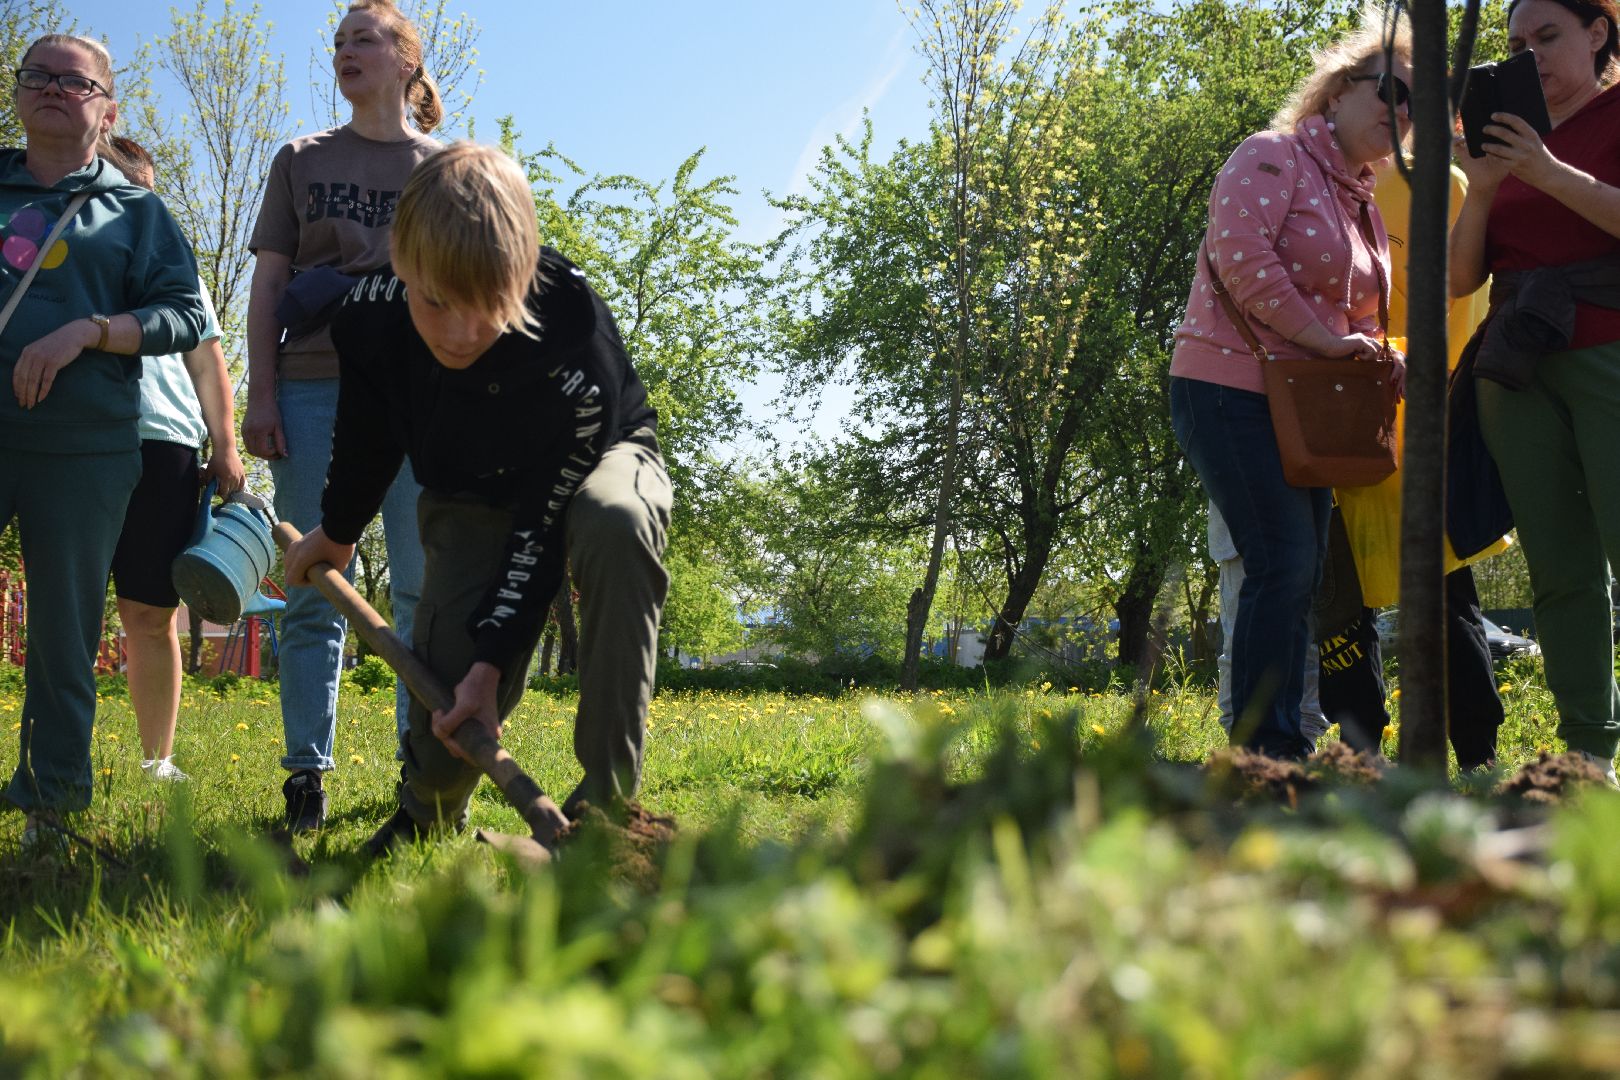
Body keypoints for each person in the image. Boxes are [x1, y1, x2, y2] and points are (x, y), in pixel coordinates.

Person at [283, 143, 671, 853]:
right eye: (436, 303)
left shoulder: (571, 335)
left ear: (522, 275)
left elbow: (543, 530)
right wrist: (337, 531)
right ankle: (426, 813)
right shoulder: (368, 320)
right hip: (469, 487)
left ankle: (609, 817)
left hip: (589, 463)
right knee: (445, 714)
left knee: (617, 523)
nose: (461, 335)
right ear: (400, 262)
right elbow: (368, 435)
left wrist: (494, 664)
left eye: (489, 307)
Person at [1169, 12, 1411, 759]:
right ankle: (1266, 750)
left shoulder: (1360, 195)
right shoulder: (1270, 155)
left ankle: (1274, 742)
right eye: (1392, 93)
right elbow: (1243, 260)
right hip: (1228, 388)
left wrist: (1371, 351)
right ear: (1337, 91)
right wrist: (1328, 342)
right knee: (1282, 561)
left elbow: (1358, 309)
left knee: (1298, 571)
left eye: (1417, 108)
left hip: (1303, 407)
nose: (1403, 114)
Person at [0, 35, 206, 841]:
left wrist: (91, 331)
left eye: (74, 82)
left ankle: (51, 800)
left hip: (85, 448)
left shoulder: (137, 210)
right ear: (18, 94)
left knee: (63, 632)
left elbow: (186, 315)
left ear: (107, 108)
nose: (54, 89)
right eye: (37, 77)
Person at [244, 0, 441, 832]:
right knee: (318, 586)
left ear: (406, 61)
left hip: (421, 391)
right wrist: (259, 392)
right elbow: (268, 284)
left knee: (423, 590)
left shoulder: (447, 166)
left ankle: (421, 771)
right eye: (338, 41)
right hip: (314, 382)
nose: (346, 50)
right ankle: (305, 780)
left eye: (365, 37)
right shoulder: (300, 158)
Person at [1450, 0, 1620, 782]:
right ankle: (1589, 755)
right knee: (1559, 567)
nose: (1532, 56)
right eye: (1517, 43)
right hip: (1517, 368)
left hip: (1610, 350)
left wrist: (1549, 172)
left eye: (1548, 36)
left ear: (1598, 32)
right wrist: (1481, 186)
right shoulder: (1504, 138)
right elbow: (1459, 278)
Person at [1319, 160, 1507, 770]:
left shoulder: (1441, 186)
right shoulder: (1325, 184)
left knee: (1444, 593)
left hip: (1422, 421)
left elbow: (1464, 299)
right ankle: (1362, 757)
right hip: (1339, 416)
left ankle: (1477, 754)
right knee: (1342, 601)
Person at [97, 136, 246, 782]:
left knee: (150, 614)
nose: (140, 205)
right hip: (79, 441)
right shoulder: (61, 255)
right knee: (63, 609)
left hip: (165, 445)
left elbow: (207, 358)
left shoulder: (175, 263)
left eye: (147, 193)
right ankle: (54, 755)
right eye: (126, 190)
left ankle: (158, 759)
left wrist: (227, 444)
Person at [1208, 502, 1331, 747]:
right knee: (1238, 644)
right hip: (1238, 539)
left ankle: (1305, 741)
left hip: (1303, 530)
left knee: (1306, 642)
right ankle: (1240, 740)